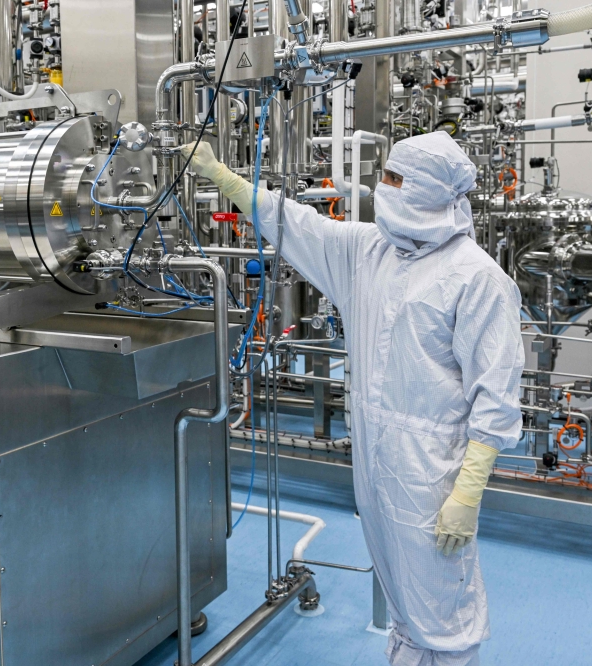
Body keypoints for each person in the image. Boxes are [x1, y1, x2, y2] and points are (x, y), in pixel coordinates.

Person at [180, 131, 524, 666]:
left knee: (441, 604)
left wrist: (468, 493)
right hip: (375, 460)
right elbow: (298, 225)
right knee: (401, 594)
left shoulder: (478, 279)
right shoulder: (370, 250)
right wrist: (223, 176)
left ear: (431, 191)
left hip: (432, 475)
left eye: (395, 179)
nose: (381, 187)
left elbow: (496, 398)